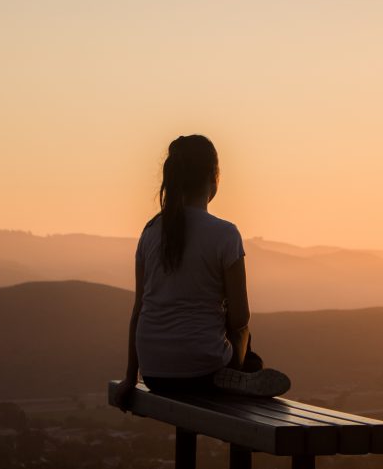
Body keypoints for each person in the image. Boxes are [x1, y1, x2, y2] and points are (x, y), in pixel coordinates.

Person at [113, 135, 290, 410]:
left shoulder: (150, 232)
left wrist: (129, 377)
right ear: (213, 178)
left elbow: (139, 310)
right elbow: (241, 317)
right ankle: (242, 374)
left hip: (154, 374)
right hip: (203, 372)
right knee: (247, 343)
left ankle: (238, 373)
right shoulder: (225, 234)